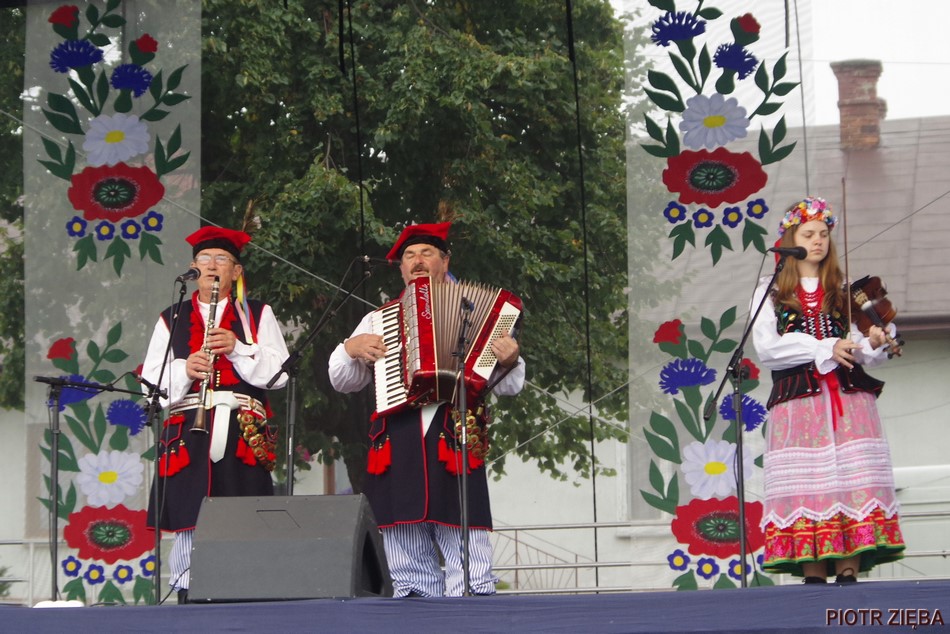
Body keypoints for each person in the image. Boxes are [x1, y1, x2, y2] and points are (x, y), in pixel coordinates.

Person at [328, 221, 525, 597]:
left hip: (453, 430)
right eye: (409, 256)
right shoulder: (378, 319)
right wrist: (349, 349)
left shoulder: (479, 311)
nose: (417, 261)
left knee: (462, 531)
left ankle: (471, 605)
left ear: (444, 260)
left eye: (426, 253)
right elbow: (342, 380)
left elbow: (510, 386)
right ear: (401, 269)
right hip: (398, 434)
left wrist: (511, 359)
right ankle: (413, 604)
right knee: (402, 533)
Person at [751, 196, 905, 584]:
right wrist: (825, 347)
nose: (818, 240)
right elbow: (768, 349)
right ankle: (813, 575)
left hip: (849, 401)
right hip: (799, 403)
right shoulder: (770, 292)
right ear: (791, 239)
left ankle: (849, 573)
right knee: (809, 487)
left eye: (823, 234)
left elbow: (862, 351)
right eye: (808, 234)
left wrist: (872, 342)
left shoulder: (843, 291)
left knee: (849, 481)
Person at [142, 226, 290, 604]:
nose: (211, 266)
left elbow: (279, 375)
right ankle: (187, 592)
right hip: (188, 432)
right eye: (204, 259)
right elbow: (151, 386)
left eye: (221, 259)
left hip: (242, 429)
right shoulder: (172, 316)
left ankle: (247, 592)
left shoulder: (257, 313)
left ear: (236, 272)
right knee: (190, 515)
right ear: (193, 269)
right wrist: (184, 370)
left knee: (244, 514)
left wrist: (238, 348)